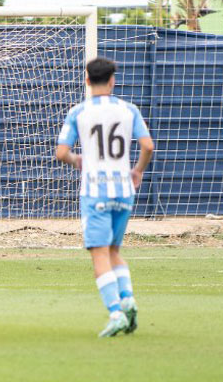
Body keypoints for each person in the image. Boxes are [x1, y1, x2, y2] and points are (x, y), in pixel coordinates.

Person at [56, 57, 155, 337]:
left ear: (87, 80)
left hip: (95, 191)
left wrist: (77, 159)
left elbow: (61, 152)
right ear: (112, 81)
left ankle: (116, 312)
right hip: (124, 190)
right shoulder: (129, 110)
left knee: (99, 255)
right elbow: (148, 145)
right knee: (114, 252)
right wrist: (137, 171)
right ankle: (129, 299)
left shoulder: (78, 112)